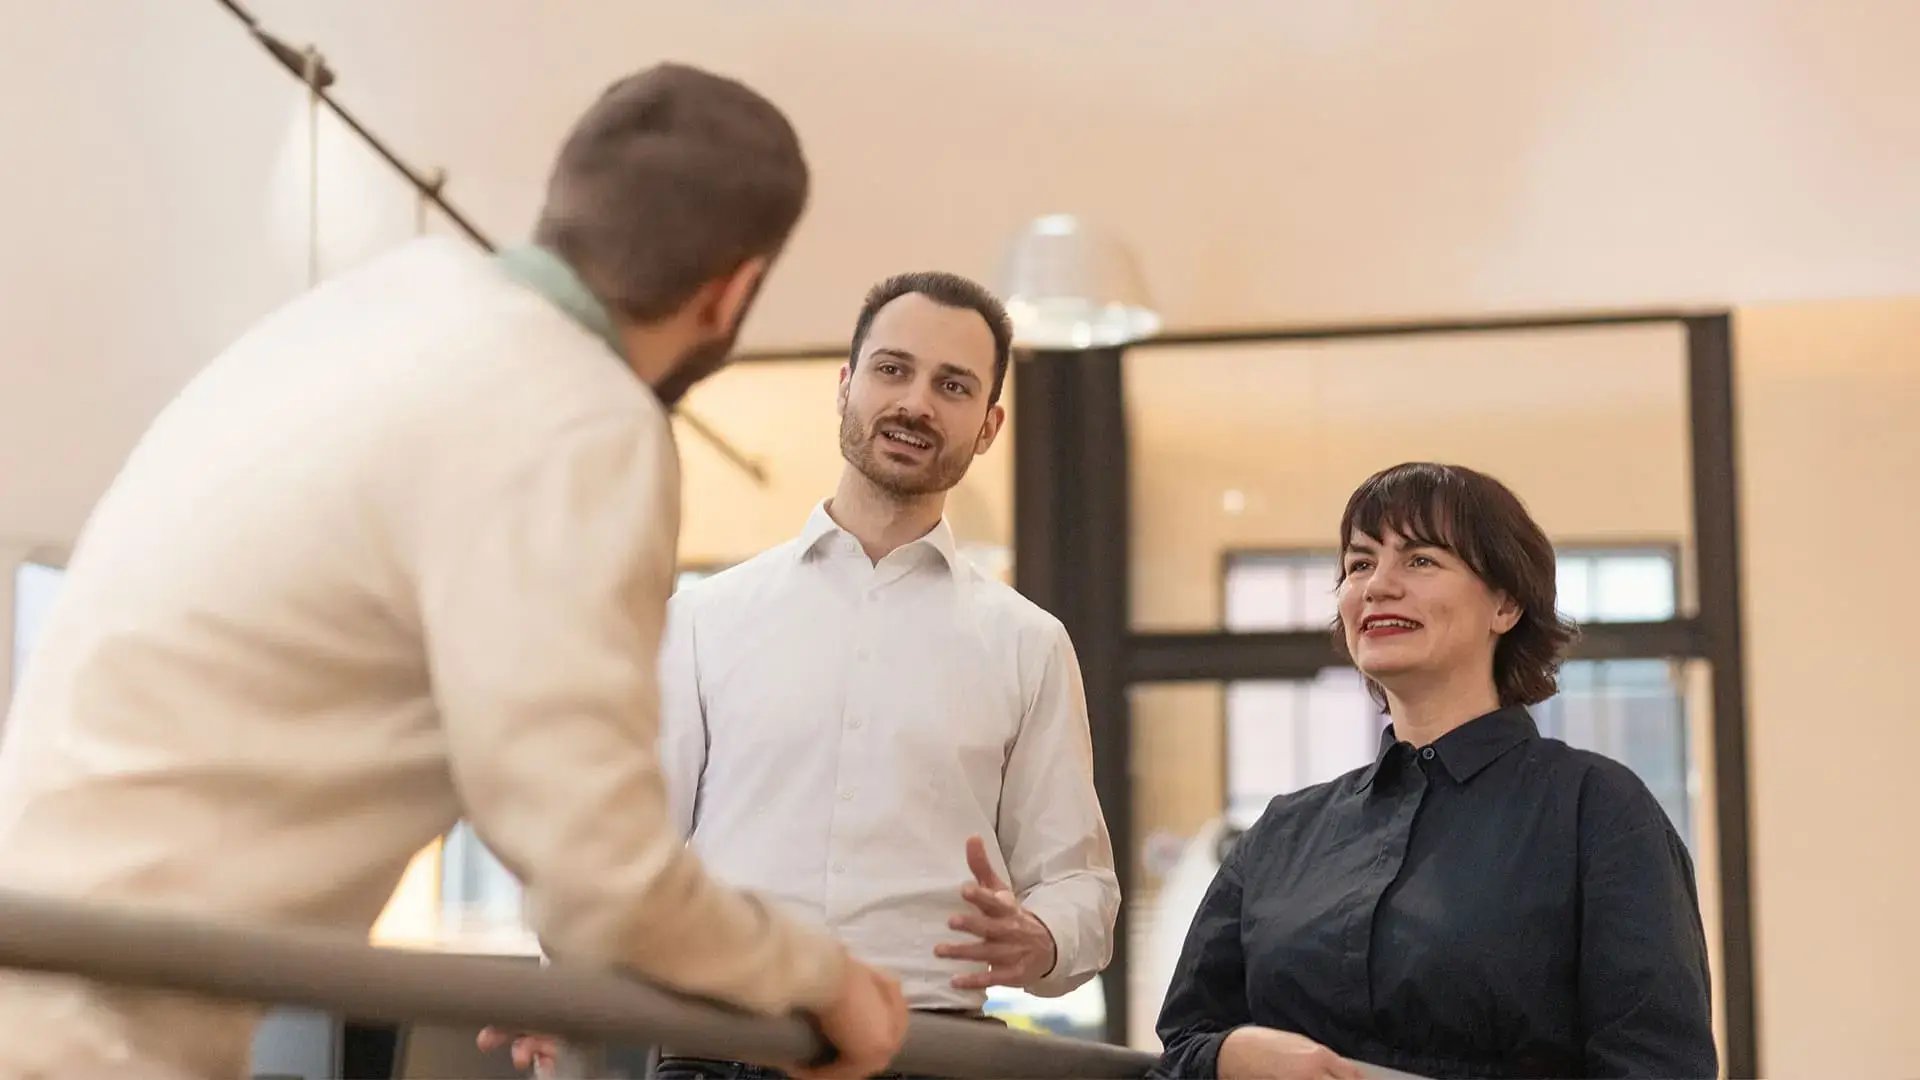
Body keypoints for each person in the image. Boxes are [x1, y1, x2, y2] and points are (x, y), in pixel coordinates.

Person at [0, 64, 906, 1080]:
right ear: (732, 293)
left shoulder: (369, 313)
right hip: (91, 1038)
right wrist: (819, 980)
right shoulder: (578, 413)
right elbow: (602, 883)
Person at [497, 271, 1122, 1079]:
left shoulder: (1029, 645)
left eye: (953, 386)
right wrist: (566, 981)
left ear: (989, 426)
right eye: (892, 370)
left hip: (930, 1055)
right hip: (717, 1048)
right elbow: (628, 843)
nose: (916, 404)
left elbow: (1080, 886)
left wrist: (1040, 938)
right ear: (845, 385)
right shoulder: (704, 619)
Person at [1154, 462, 1716, 1080]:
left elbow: (1658, 1065)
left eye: (1420, 560)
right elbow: (1181, 1046)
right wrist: (1230, 1057)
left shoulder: (1598, 811)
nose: (1378, 586)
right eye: (1359, 564)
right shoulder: (1282, 833)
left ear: (1506, 603)